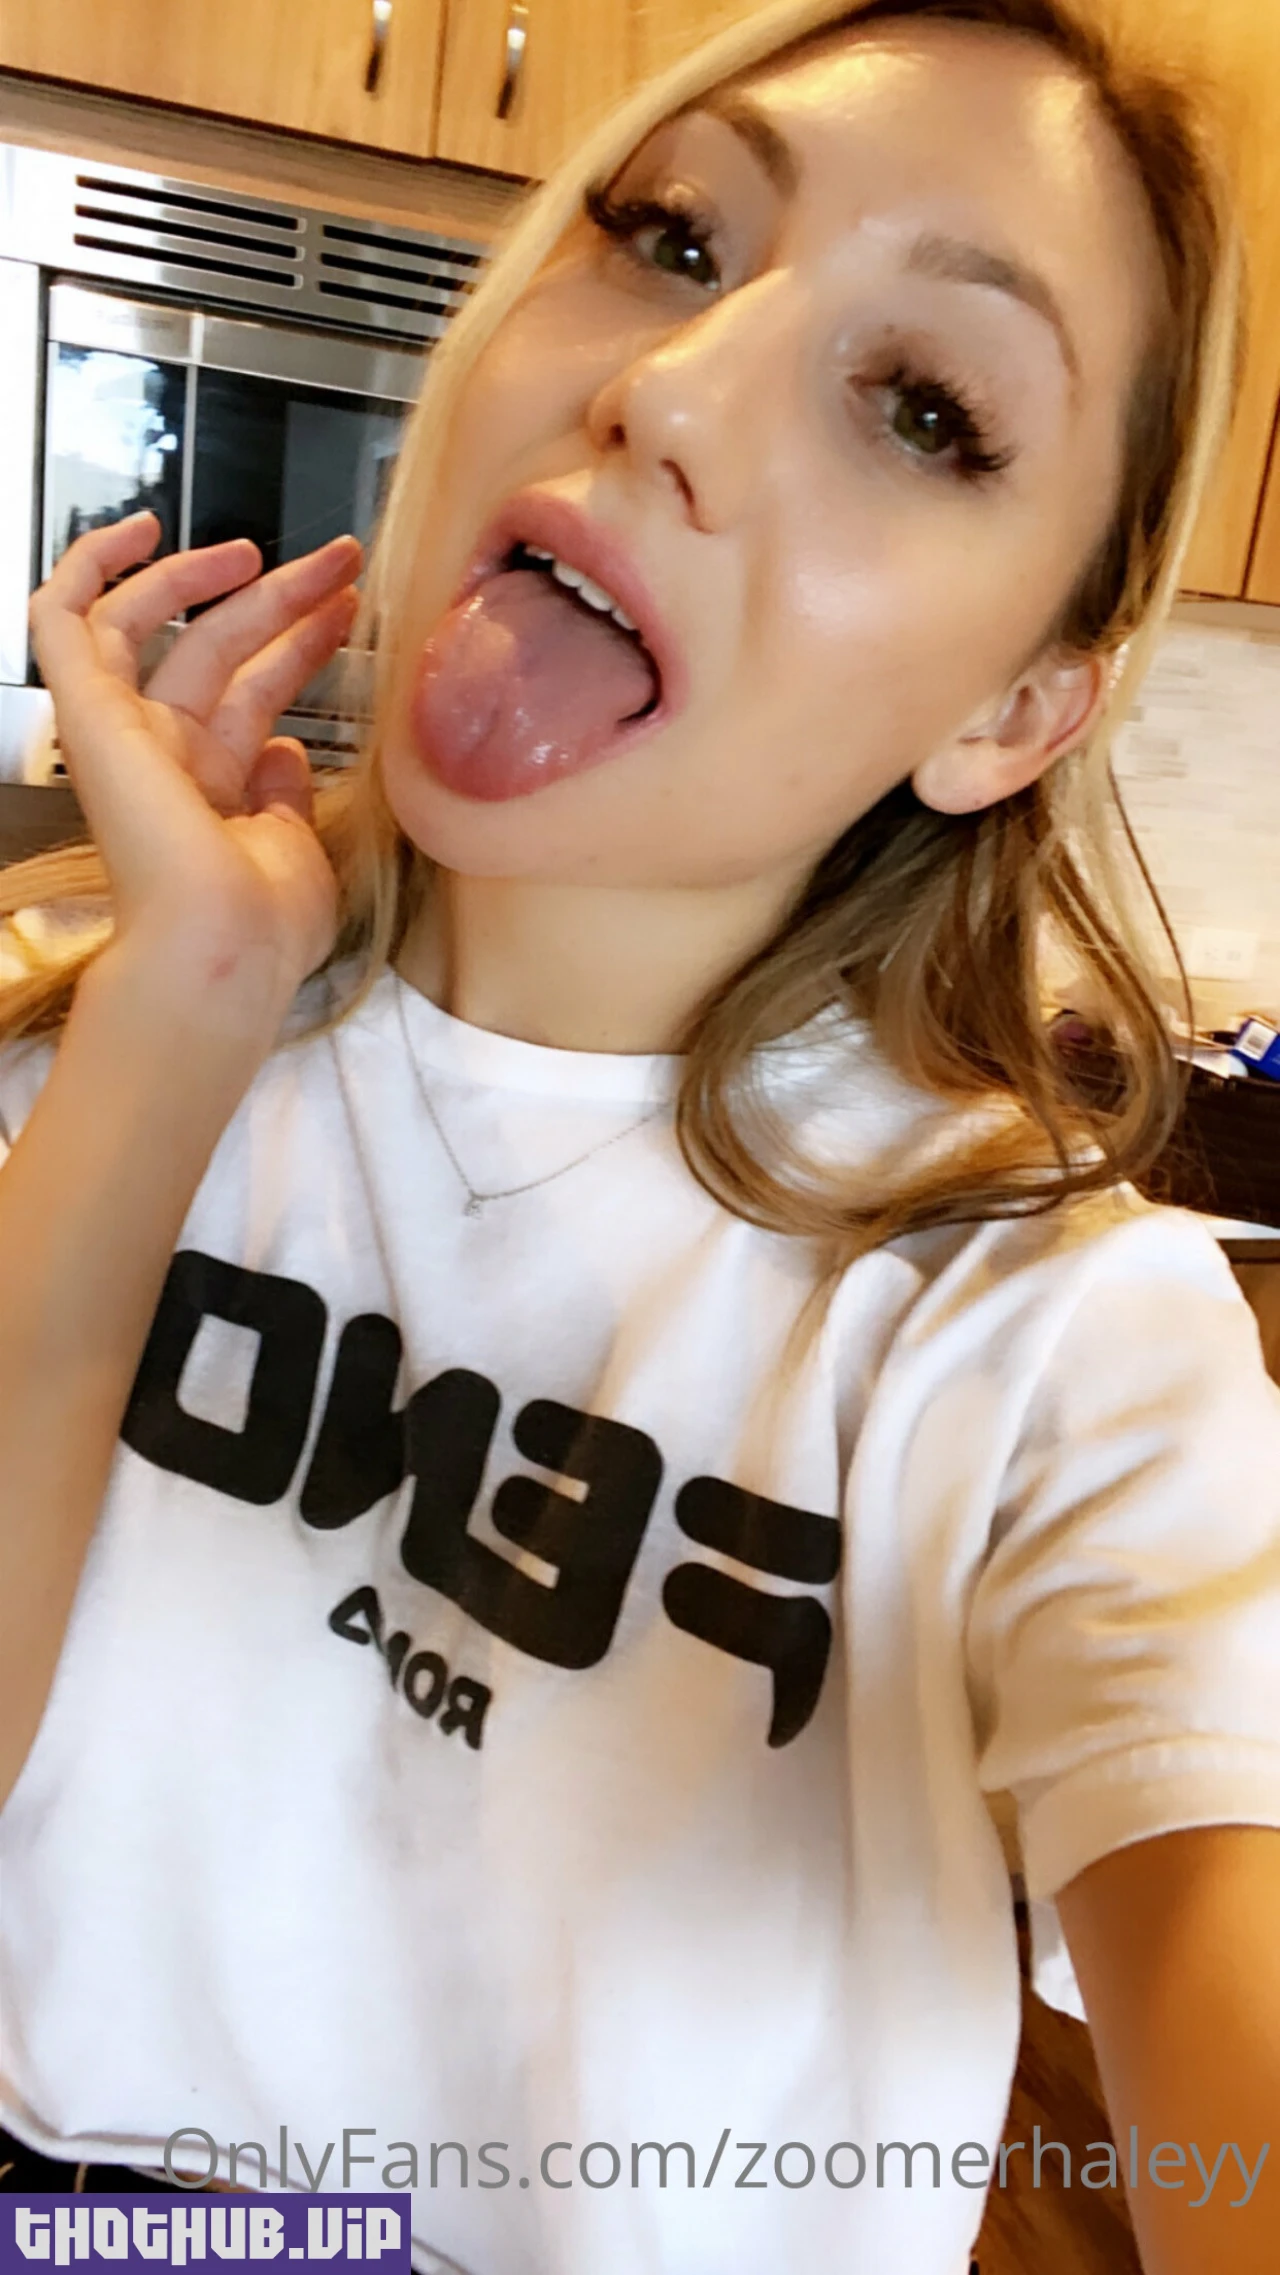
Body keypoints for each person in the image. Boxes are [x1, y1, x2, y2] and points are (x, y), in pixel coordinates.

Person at [1, 1, 1278, 2270]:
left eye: (923, 407)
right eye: (676, 238)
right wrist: (169, 1033)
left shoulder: (1052, 1347)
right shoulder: (84, 1043)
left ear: (1015, 708)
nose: (670, 390)